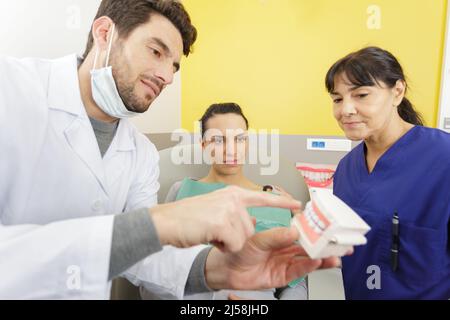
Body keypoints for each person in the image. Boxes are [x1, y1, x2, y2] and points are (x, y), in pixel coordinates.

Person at [0, 0, 340, 299]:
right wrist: (159, 223)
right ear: (104, 33)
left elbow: (145, 257)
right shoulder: (11, 92)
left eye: (174, 66)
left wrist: (221, 270)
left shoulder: (142, 154)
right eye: (156, 51)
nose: (167, 76)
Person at [141, 103, 308, 300]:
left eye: (239, 139)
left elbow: (296, 281)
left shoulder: (275, 200)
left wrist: (300, 220)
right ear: (204, 145)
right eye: (218, 140)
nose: (231, 150)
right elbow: (155, 267)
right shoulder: (181, 191)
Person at [325, 46, 450, 299]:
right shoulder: (346, 168)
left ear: (397, 92)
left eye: (361, 95)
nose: (345, 110)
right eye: (337, 99)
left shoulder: (443, 157)